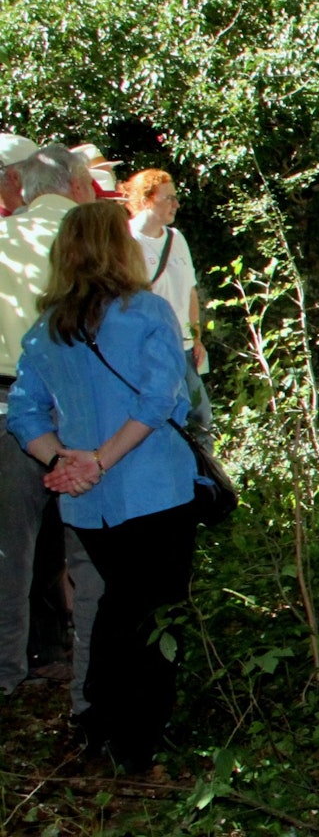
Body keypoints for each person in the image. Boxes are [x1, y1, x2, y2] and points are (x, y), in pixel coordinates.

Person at [7, 200, 198, 774]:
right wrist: (93, 459)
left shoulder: (45, 330)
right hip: (153, 491)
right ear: (120, 249)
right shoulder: (147, 314)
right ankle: (137, 743)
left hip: (89, 505)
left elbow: (24, 414)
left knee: (117, 607)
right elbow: (160, 400)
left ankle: (100, 724)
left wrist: (65, 460)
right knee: (154, 615)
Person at [0, 143, 101, 706]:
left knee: (8, 551)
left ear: (19, 188)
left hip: (8, 404)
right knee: (90, 552)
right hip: (87, 411)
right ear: (78, 184)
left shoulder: (3, 242)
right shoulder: (99, 242)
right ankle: (91, 684)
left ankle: (5, 675)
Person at [124, 169, 211, 434]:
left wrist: (196, 337)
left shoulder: (177, 239)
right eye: (168, 198)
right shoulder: (126, 241)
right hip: (151, 348)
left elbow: (190, 291)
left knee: (201, 420)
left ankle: (201, 476)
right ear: (146, 200)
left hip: (184, 346)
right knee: (169, 421)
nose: (176, 204)